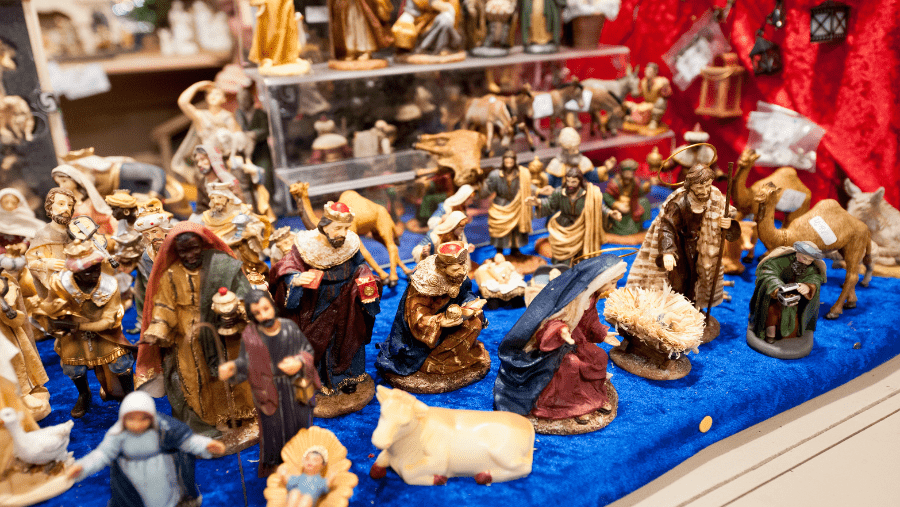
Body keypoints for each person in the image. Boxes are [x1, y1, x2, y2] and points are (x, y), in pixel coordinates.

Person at [138, 222, 256, 437]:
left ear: (202, 245)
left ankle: (238, 416)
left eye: (194, 249)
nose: (190, 255)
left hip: (223, 331)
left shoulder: (221, 265)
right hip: (187, 337)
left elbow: (244, 294)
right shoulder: (172, 274)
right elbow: (164, 307)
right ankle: (205, 422)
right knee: (193, 380)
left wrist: (233, 309)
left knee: (228, 376)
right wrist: (158, 330)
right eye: (184, 251)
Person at [494, 254, 626, 423]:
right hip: (554, 348)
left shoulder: (591, 298)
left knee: (598, 356)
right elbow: (549, 322)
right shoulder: (570, 299)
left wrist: (602, 333)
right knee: (572, 365)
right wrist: (561, 331)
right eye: (612, 282)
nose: (614, 288)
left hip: (576, 343)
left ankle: (593, 399)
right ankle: (573, 406)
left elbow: (590, 321)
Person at [269, 201, 381, 397]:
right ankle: (317, 379)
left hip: (347, 302)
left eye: (346, 228)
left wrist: (365, 278)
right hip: (317, 303)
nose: (343, 233)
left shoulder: (349, 243)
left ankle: (346, 377)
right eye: (338, 228)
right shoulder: (306, 245)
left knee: (347, 340)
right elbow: (285, 266)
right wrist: (295, 279)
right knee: (317, 341)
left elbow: (360, 265)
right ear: (325, 225)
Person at [219, 290, 319, 477]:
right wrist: (233, 368)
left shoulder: (289, 327)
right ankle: (276, 466)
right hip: (267, 392)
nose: (264, 315)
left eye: (266, 309)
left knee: (298, 427)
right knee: (273, 432)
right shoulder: (251, 335)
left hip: (293, 389)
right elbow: (245, 363)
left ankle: (301, 462)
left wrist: (299, 362)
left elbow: (307, 351)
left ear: (272, 307)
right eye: (257, 312)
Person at [67, 391, 226, 507]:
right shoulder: (117, 435)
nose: (137, 424)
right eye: (131, 419)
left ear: (151, 417)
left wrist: (207, 445)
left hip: (163, 475)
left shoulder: (163, 428)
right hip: (132, 480)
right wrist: (82, 467)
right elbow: (102, 455)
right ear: (123, 418)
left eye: (143, 419)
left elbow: (187, 441)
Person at [626, 163, 740, 310]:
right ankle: (674, 309)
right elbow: (667, 227)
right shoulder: (679, 203)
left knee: (697, 279)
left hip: (701, 248)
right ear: (690, 186)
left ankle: (693, 307)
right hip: (679, 247)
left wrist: (727, 224)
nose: (705, 191)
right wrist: (667, 252)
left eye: (707, 186)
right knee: (678, 280)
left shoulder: (714, 197)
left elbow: (726, 215)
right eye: (700, 187)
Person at [42, 240, 134, 418]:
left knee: (121, 362)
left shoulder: (109, 285)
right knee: (73, 367)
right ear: (75, 272)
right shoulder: (60, 283)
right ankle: (84, 394)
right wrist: (54, 317)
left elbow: (108, 320)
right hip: (74, 336)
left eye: (97, 268)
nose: (95, 274)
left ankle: (130, 395)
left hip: (105, 334)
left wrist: (78, 326)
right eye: (87, 272)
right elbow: (50, 307)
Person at [376, 242, 489, 379]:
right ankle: (434, 360)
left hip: (455, 317)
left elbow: (466, 292)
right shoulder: (425, 283)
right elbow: (416, 315)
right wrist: (440, 322)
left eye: (462, 265)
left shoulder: (460, 275)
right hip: (425, 332)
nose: (461, 271)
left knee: (475, 323)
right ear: (442, 268)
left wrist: (470, 304)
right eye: (455, 269)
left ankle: (455, 356)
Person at [529, 167, 621, 265]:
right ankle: (563, 265)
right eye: (568, 181)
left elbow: (598, 206)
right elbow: (550, 203)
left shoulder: (589, 193)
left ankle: (583, 264)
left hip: (582, 225)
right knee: (562, 251)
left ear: (580, 182)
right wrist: (538, 202)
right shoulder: (560, 192)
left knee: (582, 250)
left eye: (573, 182)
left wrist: (610, 213)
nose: (570, 184)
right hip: (563, 225)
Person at [749, 241, 826, 343]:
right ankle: (770, 334)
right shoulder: (782, 260)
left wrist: (808, 286)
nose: (805, 262)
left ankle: (790, 335)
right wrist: (778, 288)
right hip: (775, 296)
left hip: (796, 300)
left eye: (809, 260)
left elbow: (814, 277)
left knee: (794, 317)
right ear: (797, 253)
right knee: (771, 311)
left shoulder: (810, 267)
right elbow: (768, 271)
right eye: (804, 258)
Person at [200, 182, 271, 276]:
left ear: (227, 197)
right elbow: (208, 236)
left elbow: (257, 223)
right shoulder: (209, 217)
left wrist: (250, 231)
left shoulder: (241, 210)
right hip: (222, 253)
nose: (216, 201)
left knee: (251, 271)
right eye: (213, 198)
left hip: (242, 249)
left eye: (219, 197)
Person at [25, 187, 76, 298]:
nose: (66, 209)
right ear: (50, 207)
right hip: (53, 284)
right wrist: (48, 264)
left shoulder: (77, 231)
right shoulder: (43, 234)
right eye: (61, 204)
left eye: (70, 205)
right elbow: (31, 262)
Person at [484, 150, 533, 256]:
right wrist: (479, 186)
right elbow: (487, 189)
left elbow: (529, 187)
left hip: (517, 204)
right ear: (503, 162)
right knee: (499, 229)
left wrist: (540, 191)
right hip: (500, 206)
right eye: (506, 162)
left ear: (514, 162)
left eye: (511, 162)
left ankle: (515, 250)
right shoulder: (495, 175)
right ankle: (499, 251)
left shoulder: (521, 174)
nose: (509, 165)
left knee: (516, 229)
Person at [51, 164, 117, 235]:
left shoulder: (90, 200)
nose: (61, 186)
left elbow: (104, 216)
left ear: (74, 180)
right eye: (58, 183)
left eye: (64, 181)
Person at [328, 0, 394, 62]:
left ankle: (367, 51)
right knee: (349, 27)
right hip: (347, 5)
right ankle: (352, 51)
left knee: (362, 26)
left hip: (361, 6)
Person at [603, 159, 654, 236]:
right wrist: (617, 204)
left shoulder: (634, 181)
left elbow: (639, 193)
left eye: (631, 173)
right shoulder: (615, 183)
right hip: (618, 208)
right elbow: (606, 196)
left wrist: (648, 185)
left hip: (631, 205)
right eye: (626, 173)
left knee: (644, 202)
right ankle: (620, 230)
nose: (629, 176)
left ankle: (639, 227)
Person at [626, 62, 672, 130]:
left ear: (655, 72)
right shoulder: (644, 81)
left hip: (655, 105)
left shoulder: (661, 81)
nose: (647, 72)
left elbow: (668, 94)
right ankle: (635, 119)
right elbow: (639, 93)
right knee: (628, 104)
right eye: (646, 70)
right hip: (646, 104)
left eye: (650, 71)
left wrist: (665, 88)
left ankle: (654, 121)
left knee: (661, 101)